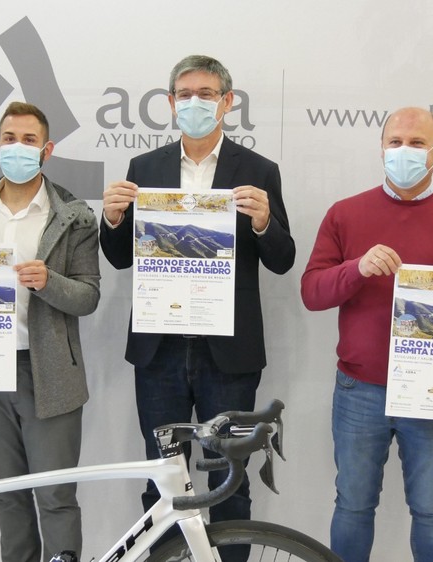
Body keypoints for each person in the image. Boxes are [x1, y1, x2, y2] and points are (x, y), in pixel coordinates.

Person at [99, 55, 295, 536]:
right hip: (159, 349)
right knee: (163, 483)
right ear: (169, 104)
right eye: (185, 95)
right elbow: (121, 258)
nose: (195, 103)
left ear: (227, 103)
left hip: (227, 354)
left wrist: (265, 223)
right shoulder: (144, 167)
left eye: (206, 94)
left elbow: (283, 259)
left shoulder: (258, 170)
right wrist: (112, 220)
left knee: (230, 483)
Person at [301, 107, 433, 562]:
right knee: (352, 504)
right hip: (359, 389)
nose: (403, 151)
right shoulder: (345, 214)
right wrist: (356, 269)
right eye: (395, 142)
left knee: (431, 508)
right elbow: (311, 292)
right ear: (381, 147)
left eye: (416, 143)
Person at [0, 101, 101, 562]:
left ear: (47, 149)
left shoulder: (73, 216)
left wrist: (48, 282)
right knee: (7, 495)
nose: (18, 148)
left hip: (49, 374)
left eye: (29, 140)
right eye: (10, 140)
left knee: (55, 498)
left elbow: (89, 296)